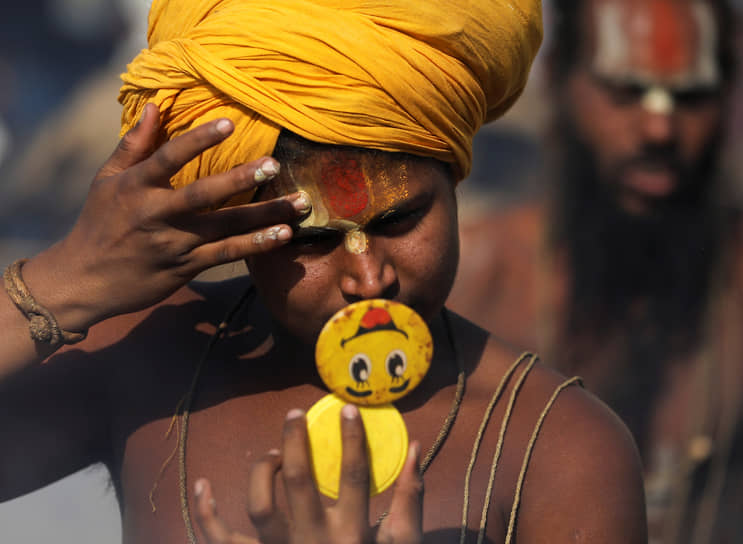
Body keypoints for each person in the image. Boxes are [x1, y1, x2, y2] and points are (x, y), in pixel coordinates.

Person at [0, 0, 647, 542]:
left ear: (454, 179)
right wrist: (65, 281)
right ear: (241, 228)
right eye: (308, 240)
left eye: (400, 220)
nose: (369, 280)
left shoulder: (559, 448)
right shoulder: (151, 359)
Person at [448, 0, 743, 541]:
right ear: (560, 77)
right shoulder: (472, 279)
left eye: (691, 96)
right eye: (625, 91)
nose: (660, 128)